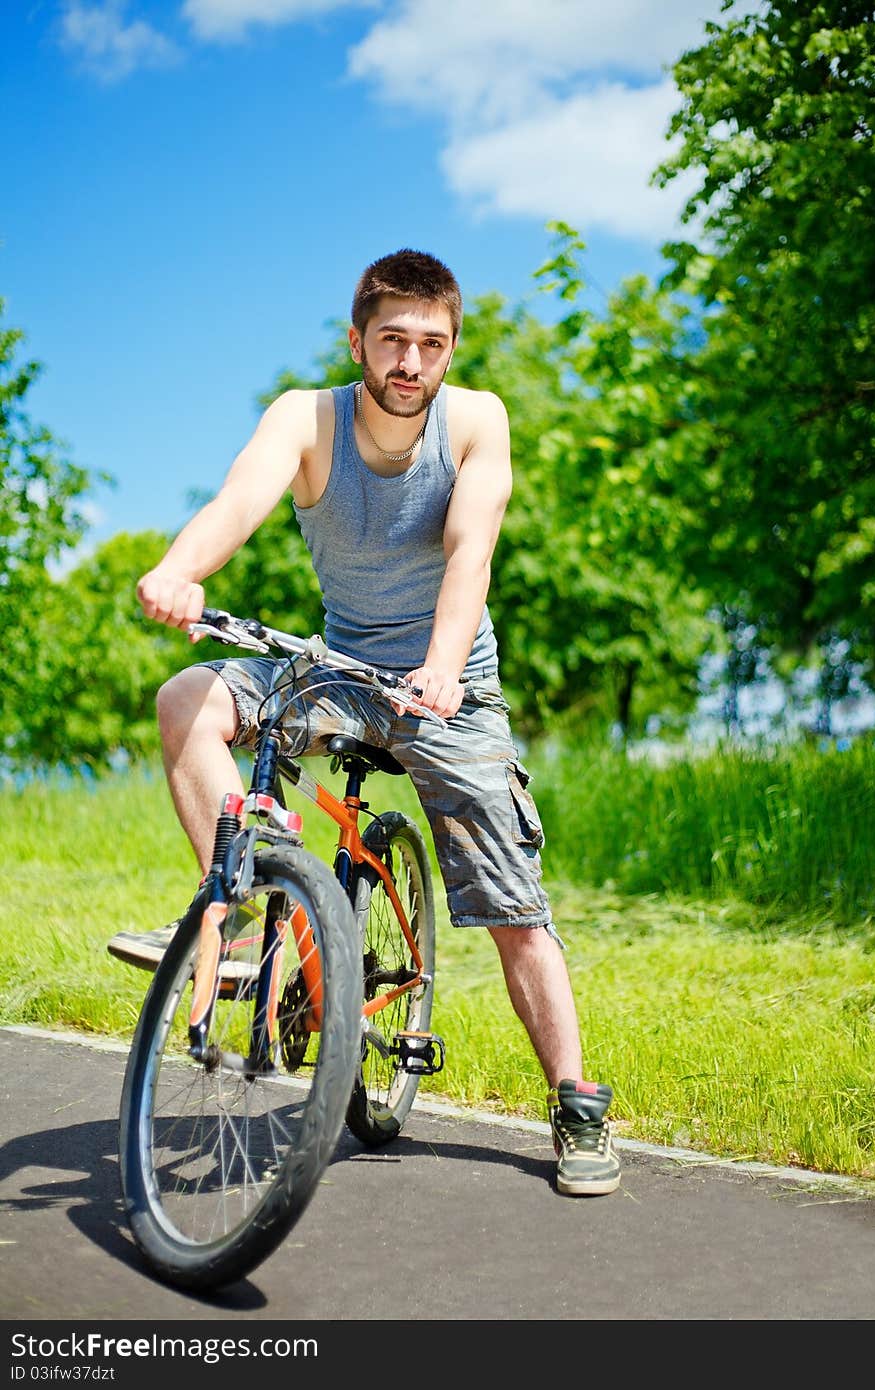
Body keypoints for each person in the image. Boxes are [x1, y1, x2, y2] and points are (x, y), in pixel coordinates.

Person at [107, 248, 620, 1198]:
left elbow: (470, 553)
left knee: (511, 905)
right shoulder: (306, 419)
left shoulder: (476, 423)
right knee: (187, 699)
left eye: (432, 344)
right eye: (393, 341)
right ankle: (265, 902)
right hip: (341, 670)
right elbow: (238, 500)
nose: (411, 362)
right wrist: (183, 569)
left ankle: (575, 1101)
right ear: (358, 343)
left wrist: (438, 666)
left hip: (450, 683)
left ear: (451, 349)